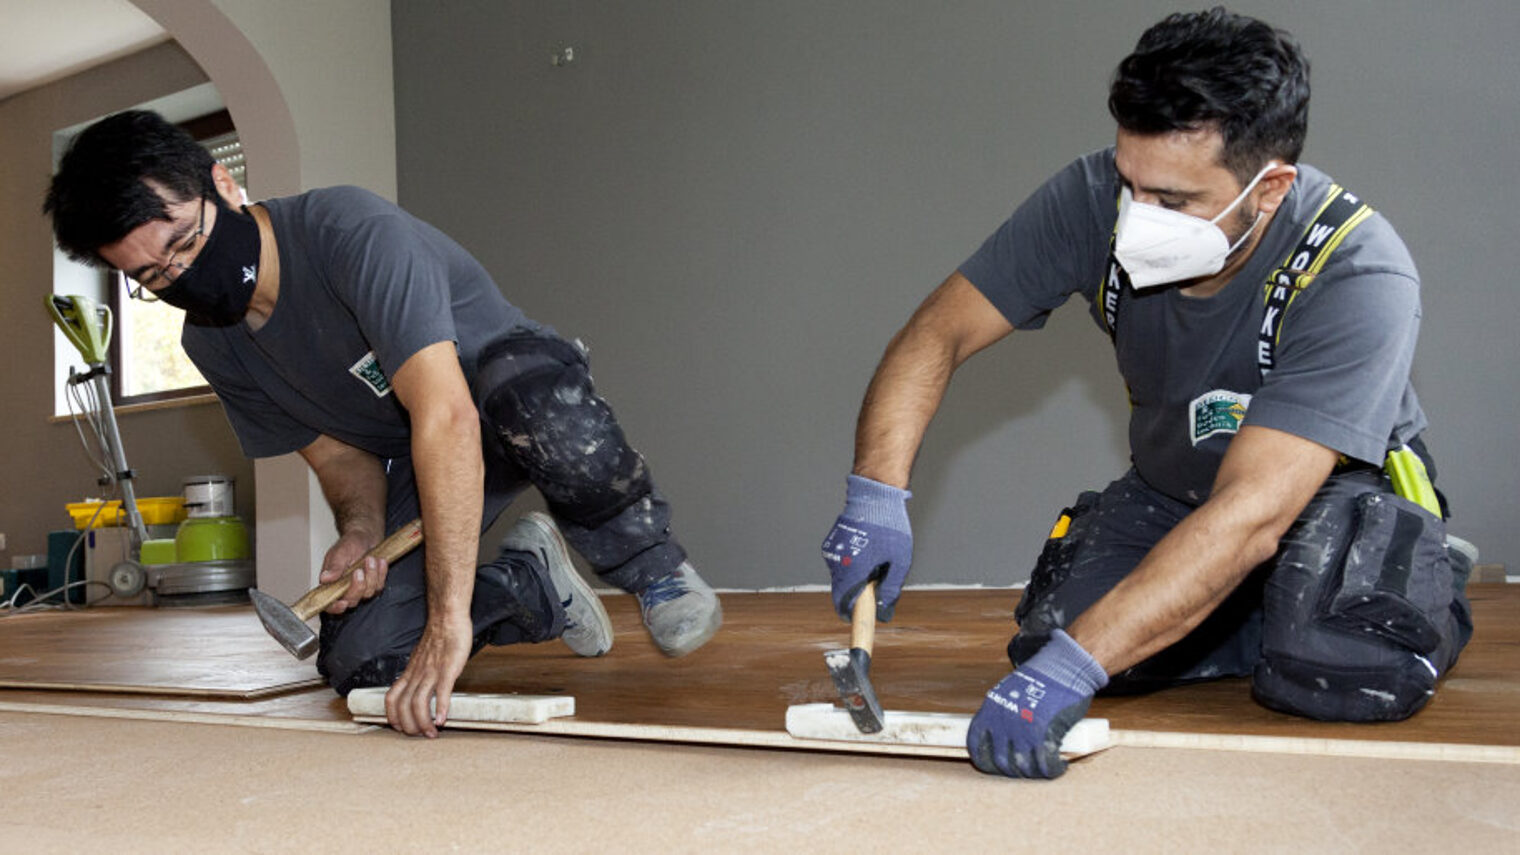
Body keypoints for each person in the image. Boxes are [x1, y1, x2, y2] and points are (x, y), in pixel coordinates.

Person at [821, 8, 1473, 779]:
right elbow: (937, 334)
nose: (1136, 220)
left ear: (1270, 190)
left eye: (1174, 199)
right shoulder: (1092, 197)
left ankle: (1395, 576)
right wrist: (875, 493)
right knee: (1054, 640)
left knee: (1338, 666)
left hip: (1323, 495)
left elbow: (1253, 510)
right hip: (1176, 489)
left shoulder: (1359, 272)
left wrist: (1075, 669)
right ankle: (1241, 602)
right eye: (1131, 183)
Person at [45, 110, 723, 737]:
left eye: (185, 243)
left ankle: (652, 566)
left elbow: (447, 413)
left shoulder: (348, 230)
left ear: (223, 183)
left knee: (539, 411)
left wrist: (448, 617)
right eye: (153, 277)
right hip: (420, 453)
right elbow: (337, 456)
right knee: (363, 663)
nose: (182, 274)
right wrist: (362, 532)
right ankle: (531, 587)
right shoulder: (213, 345)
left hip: (498, 391)